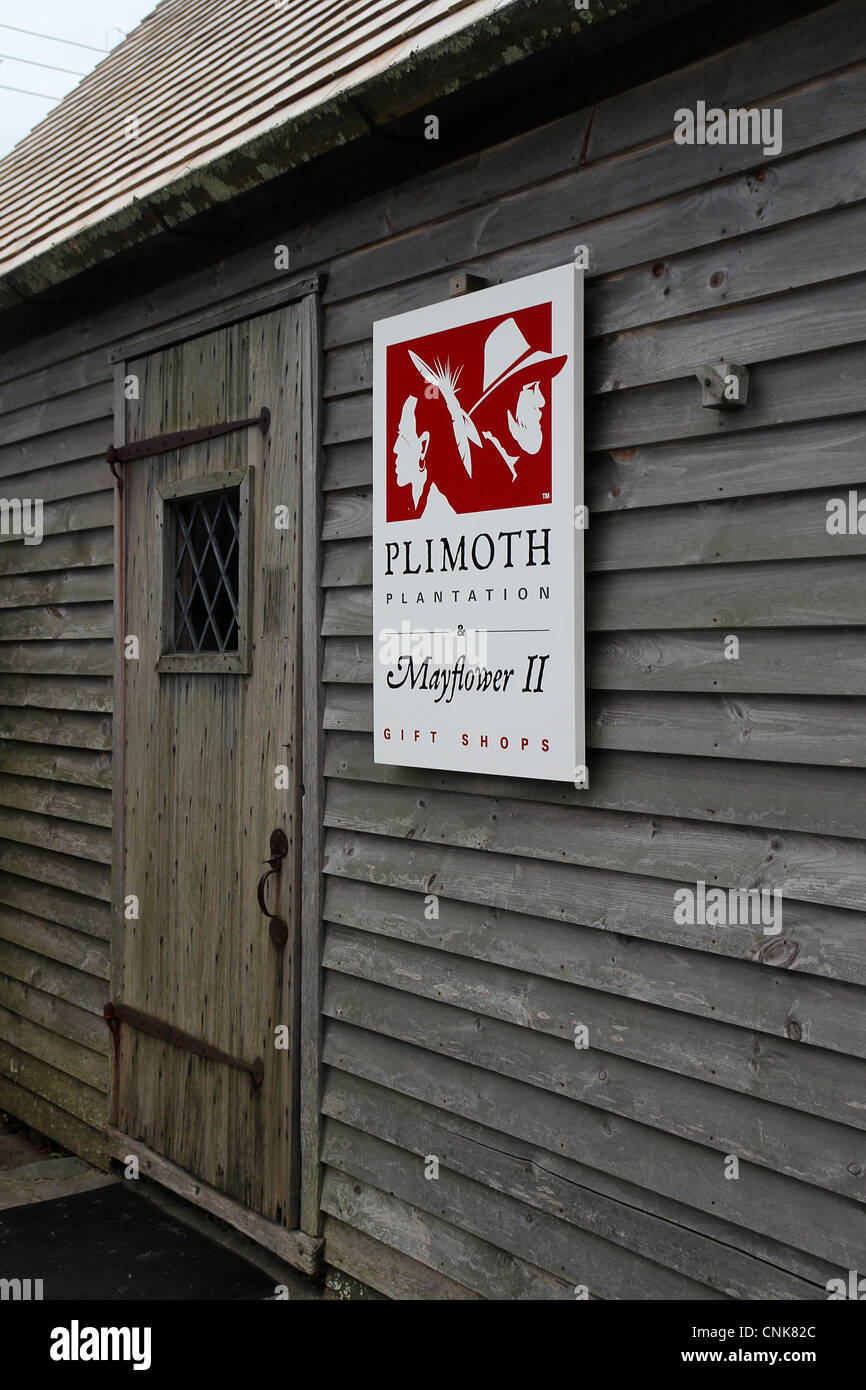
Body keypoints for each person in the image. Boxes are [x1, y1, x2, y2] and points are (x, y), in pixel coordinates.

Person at [392, 394, 456, 522]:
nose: (395, 448)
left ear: (423, 446)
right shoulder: (412, 505)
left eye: (403, 435)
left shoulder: (438, 510)